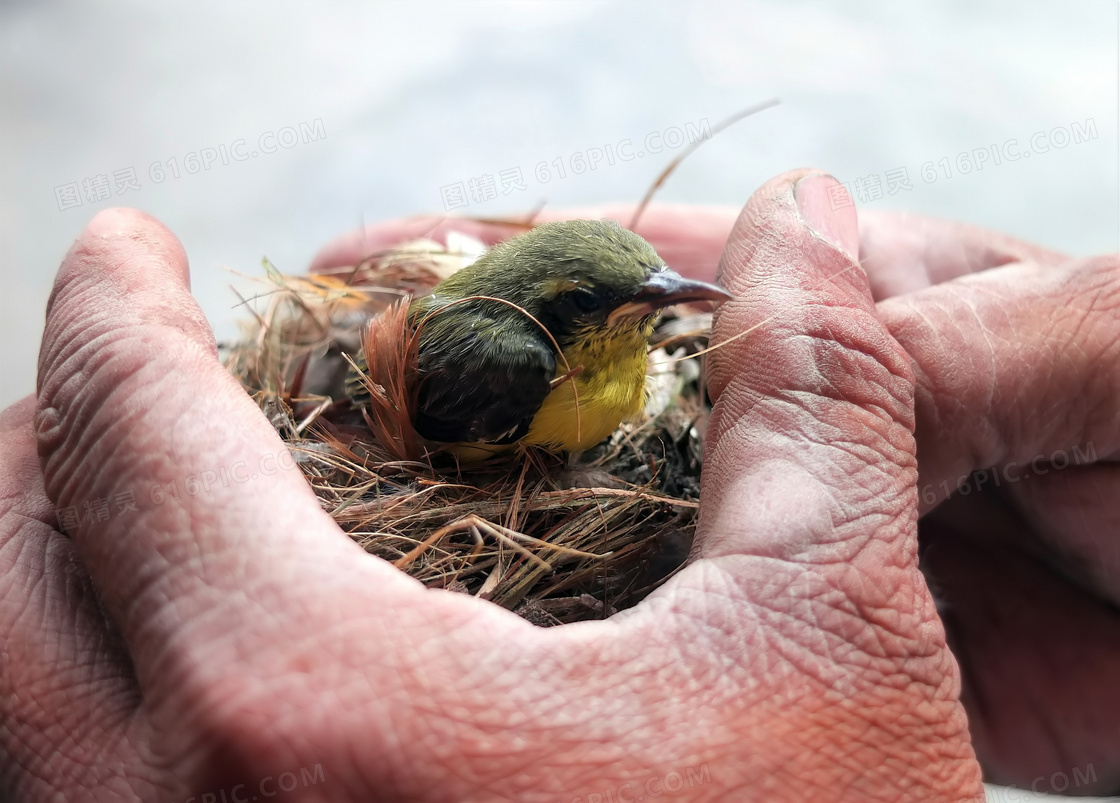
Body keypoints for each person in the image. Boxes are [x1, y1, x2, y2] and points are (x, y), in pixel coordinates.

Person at [0, 169, 1115, 801]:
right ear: (551, 315)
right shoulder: (511, 361)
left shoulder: (627, 361)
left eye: (656, 290)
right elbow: (371, 408)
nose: (668, 299)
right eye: (611, 299)